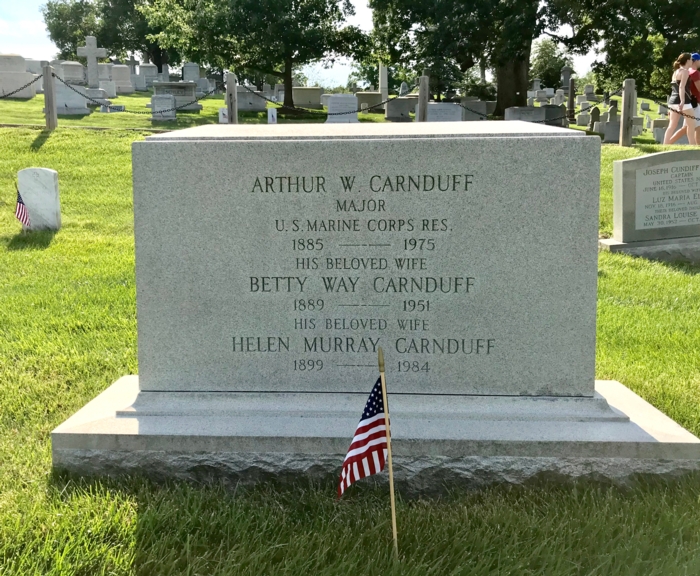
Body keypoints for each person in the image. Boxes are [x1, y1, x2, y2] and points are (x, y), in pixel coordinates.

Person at [663, 53, 696, 145]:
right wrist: (682, 101)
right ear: (687, 60)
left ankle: (665, 145)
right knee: (691, 124)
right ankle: (693, 145)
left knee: (672, 125)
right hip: (683, 101)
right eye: (691, 59)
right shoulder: (685, 72)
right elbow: (682, 87)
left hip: (673, 100)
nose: (692, 61)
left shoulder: (676, 72)